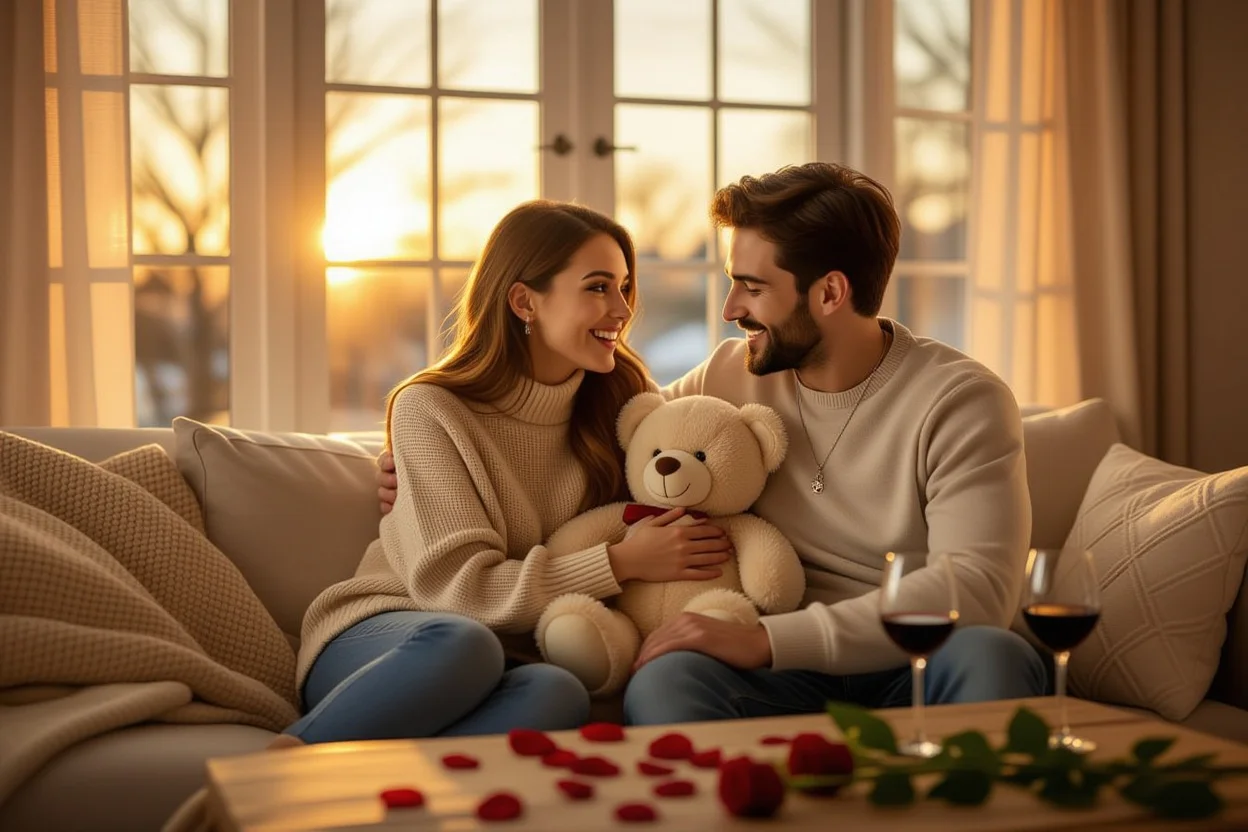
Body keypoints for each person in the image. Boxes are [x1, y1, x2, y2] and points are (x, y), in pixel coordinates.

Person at [378, 164, 1047, 726]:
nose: (729, 308)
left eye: (752, 287)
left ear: (830, 293)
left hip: (907, 659)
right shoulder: (729, 374)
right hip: (775, 672)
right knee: (666, 682)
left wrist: (767, 638)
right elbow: (629, 451)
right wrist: (414, 472)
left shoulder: (961, 400)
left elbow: (979, 586)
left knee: (993, 654)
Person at [278, 201, 734, 746]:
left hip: (510, 657)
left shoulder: (627, 403)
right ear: (524, 301)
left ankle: (377, 786)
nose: (621, 308)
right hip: (394, 637)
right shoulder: (432, 408)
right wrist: (618, 562)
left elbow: (695, 458)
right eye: (597, 287)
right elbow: (458, 594)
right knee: (464, 643)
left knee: (559, 694)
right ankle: (274, 770)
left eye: (624, 287)